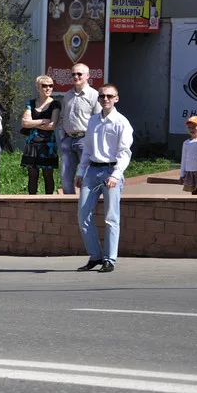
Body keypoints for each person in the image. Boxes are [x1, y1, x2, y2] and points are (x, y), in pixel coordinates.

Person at [75, 84, 133, 273]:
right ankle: (96, 256)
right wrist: (80, 172)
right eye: (102, 96)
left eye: (109, 96)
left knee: (111, 217)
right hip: (92, 171)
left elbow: (125, 153)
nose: (105, 99)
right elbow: (88, 149)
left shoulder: (121, 122)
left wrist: (116, 175)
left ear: (116, 98)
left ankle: (110, 259)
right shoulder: (93, 121)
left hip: (111, 171)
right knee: (83, 214)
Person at [58, 63, 101, 194]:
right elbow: (62, 117)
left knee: (86, 178)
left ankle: (84, 207)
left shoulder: (94, 95)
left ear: (87, 76)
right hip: (68, 140)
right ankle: (68, 208)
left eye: (79, 74)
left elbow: (98, 121)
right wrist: (62, 137)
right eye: (73, 74)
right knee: (65, 178)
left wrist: (92, 141)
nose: (76, 76)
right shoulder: (67, 96)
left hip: (85, 140)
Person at [21, 75, 61, 195]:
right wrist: (42, 121)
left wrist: (32, 123)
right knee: (32, 175)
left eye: (51, 86)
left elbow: (52, 126)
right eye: (44, 85)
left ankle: (49, 203)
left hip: (47, 144)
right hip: (32, 144)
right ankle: (32, 202)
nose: (48, 88)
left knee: (48, 175)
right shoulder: (31, 103)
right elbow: (24, 123)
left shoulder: (55, 104)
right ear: (38, 87)